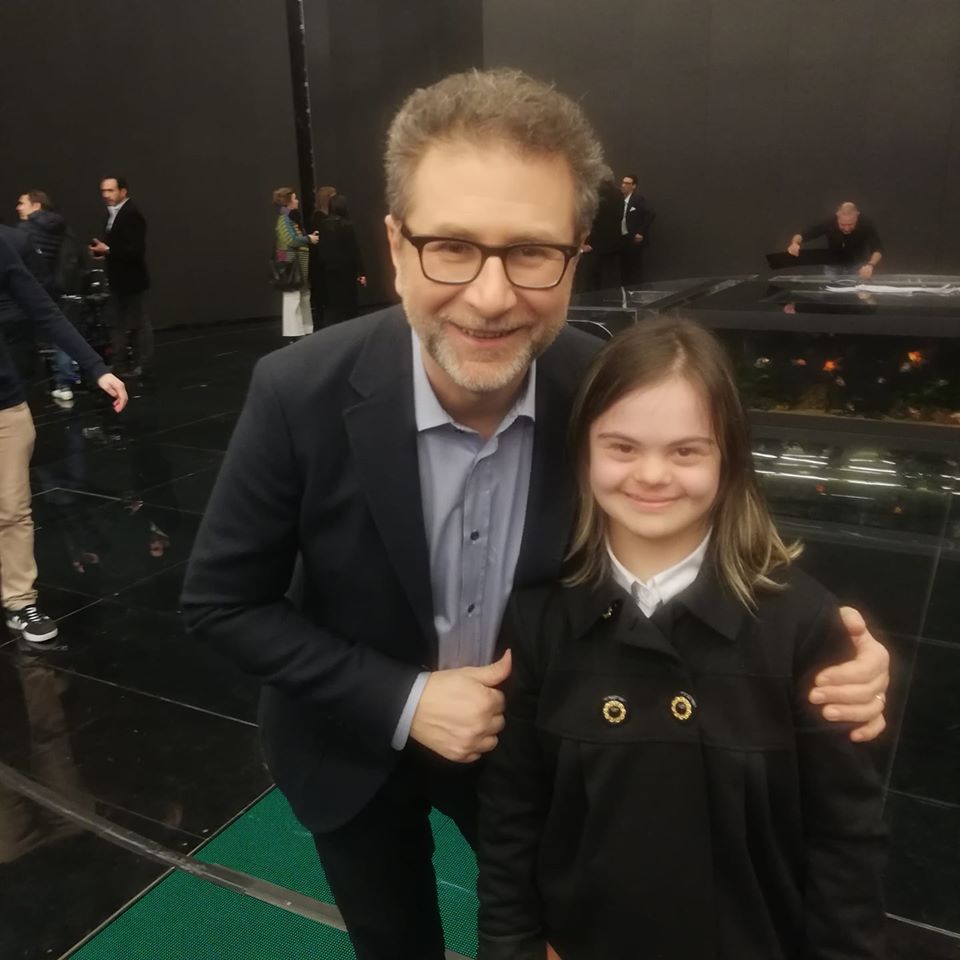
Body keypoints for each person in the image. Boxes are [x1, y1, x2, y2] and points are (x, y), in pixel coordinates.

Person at [181, 69, 890, 960]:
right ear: (396, 246)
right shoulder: (297, 393)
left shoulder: (599, 389)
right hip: (349, 748)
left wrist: (826, 653)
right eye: (451, 247)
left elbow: (693, 521)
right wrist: (404, 699)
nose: (490, 297)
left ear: (576, 255)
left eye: (530, 252)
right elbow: (222, 603)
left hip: (543, 752)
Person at [476, 317, 886, 960]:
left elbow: (844, 837)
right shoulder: (539, 618)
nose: (652, 475)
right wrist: (512, 947)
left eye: (687, 451)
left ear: (729, 459)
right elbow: (510, 814)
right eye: (622, 447)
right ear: (583, 452)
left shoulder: (802, 625)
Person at [0, 230, 127, 645]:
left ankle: (20, 601)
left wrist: (96, 368)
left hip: (4, 406)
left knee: (12, 509)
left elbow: (45, 311)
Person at [16, 189, 80, 402]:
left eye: (22, 203)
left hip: (30, 291)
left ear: (36, 205)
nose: (18, 207)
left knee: (20, 337)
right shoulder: (62, 227)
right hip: (56, 289)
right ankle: (65, 383)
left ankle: (21, 386)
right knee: (61, 335)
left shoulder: (24, 230)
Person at [88, 177, 151, 376]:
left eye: (111, 190)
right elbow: (117, 246)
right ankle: (120, 363)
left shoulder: (131, 214)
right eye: (103, 191)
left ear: (123, 191)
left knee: (137, 323)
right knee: (119, 323)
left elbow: (135, 250)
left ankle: (141, 363)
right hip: (118, 278)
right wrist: (103, 251)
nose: (106, 195)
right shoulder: (113, 214)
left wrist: (107, 250)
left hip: (132, 279)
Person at [787, 202, 883, 279]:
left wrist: (870, 265)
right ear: (837, 216)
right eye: (843, 224)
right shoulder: (828, 222)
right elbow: (803, 234)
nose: (847, 228)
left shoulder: (866, 224)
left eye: (851, 224)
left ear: (857, 216)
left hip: (857, 265)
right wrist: (795, 243)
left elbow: (877, 249)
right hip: (833, 265)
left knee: (856, 293)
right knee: (830, 292)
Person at [313, 195, 367, 327]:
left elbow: (321, 249)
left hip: (330, 268)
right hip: (347, 269)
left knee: (335, 302)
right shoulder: (347, 225)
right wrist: (362, 272)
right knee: (350, 302)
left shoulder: (323, 225)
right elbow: (354, 250)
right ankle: (352, 327)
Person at [272, 186, 318, 340]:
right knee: (293, 298)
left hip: (297, 264)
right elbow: (291, 240)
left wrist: (308, 237)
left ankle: (306, 329)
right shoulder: (284, 220)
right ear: (288, 202)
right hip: (290, 264)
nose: (297, 201)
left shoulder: (291, 219)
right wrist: (308, 239)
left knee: (303, 296)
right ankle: (295, 332)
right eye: (294, 198)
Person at [619, 173, 655, 286]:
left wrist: (640, 232)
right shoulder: (620, 200)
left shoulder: (638, 199)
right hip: (622, 238)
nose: (623, 185)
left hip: (634, 239)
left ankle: (636, 290)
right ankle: (625, 291)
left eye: (627, 183)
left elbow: (650, 213)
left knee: (635, 267)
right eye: (623, 182)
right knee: (624, 268)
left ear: (633, 186)